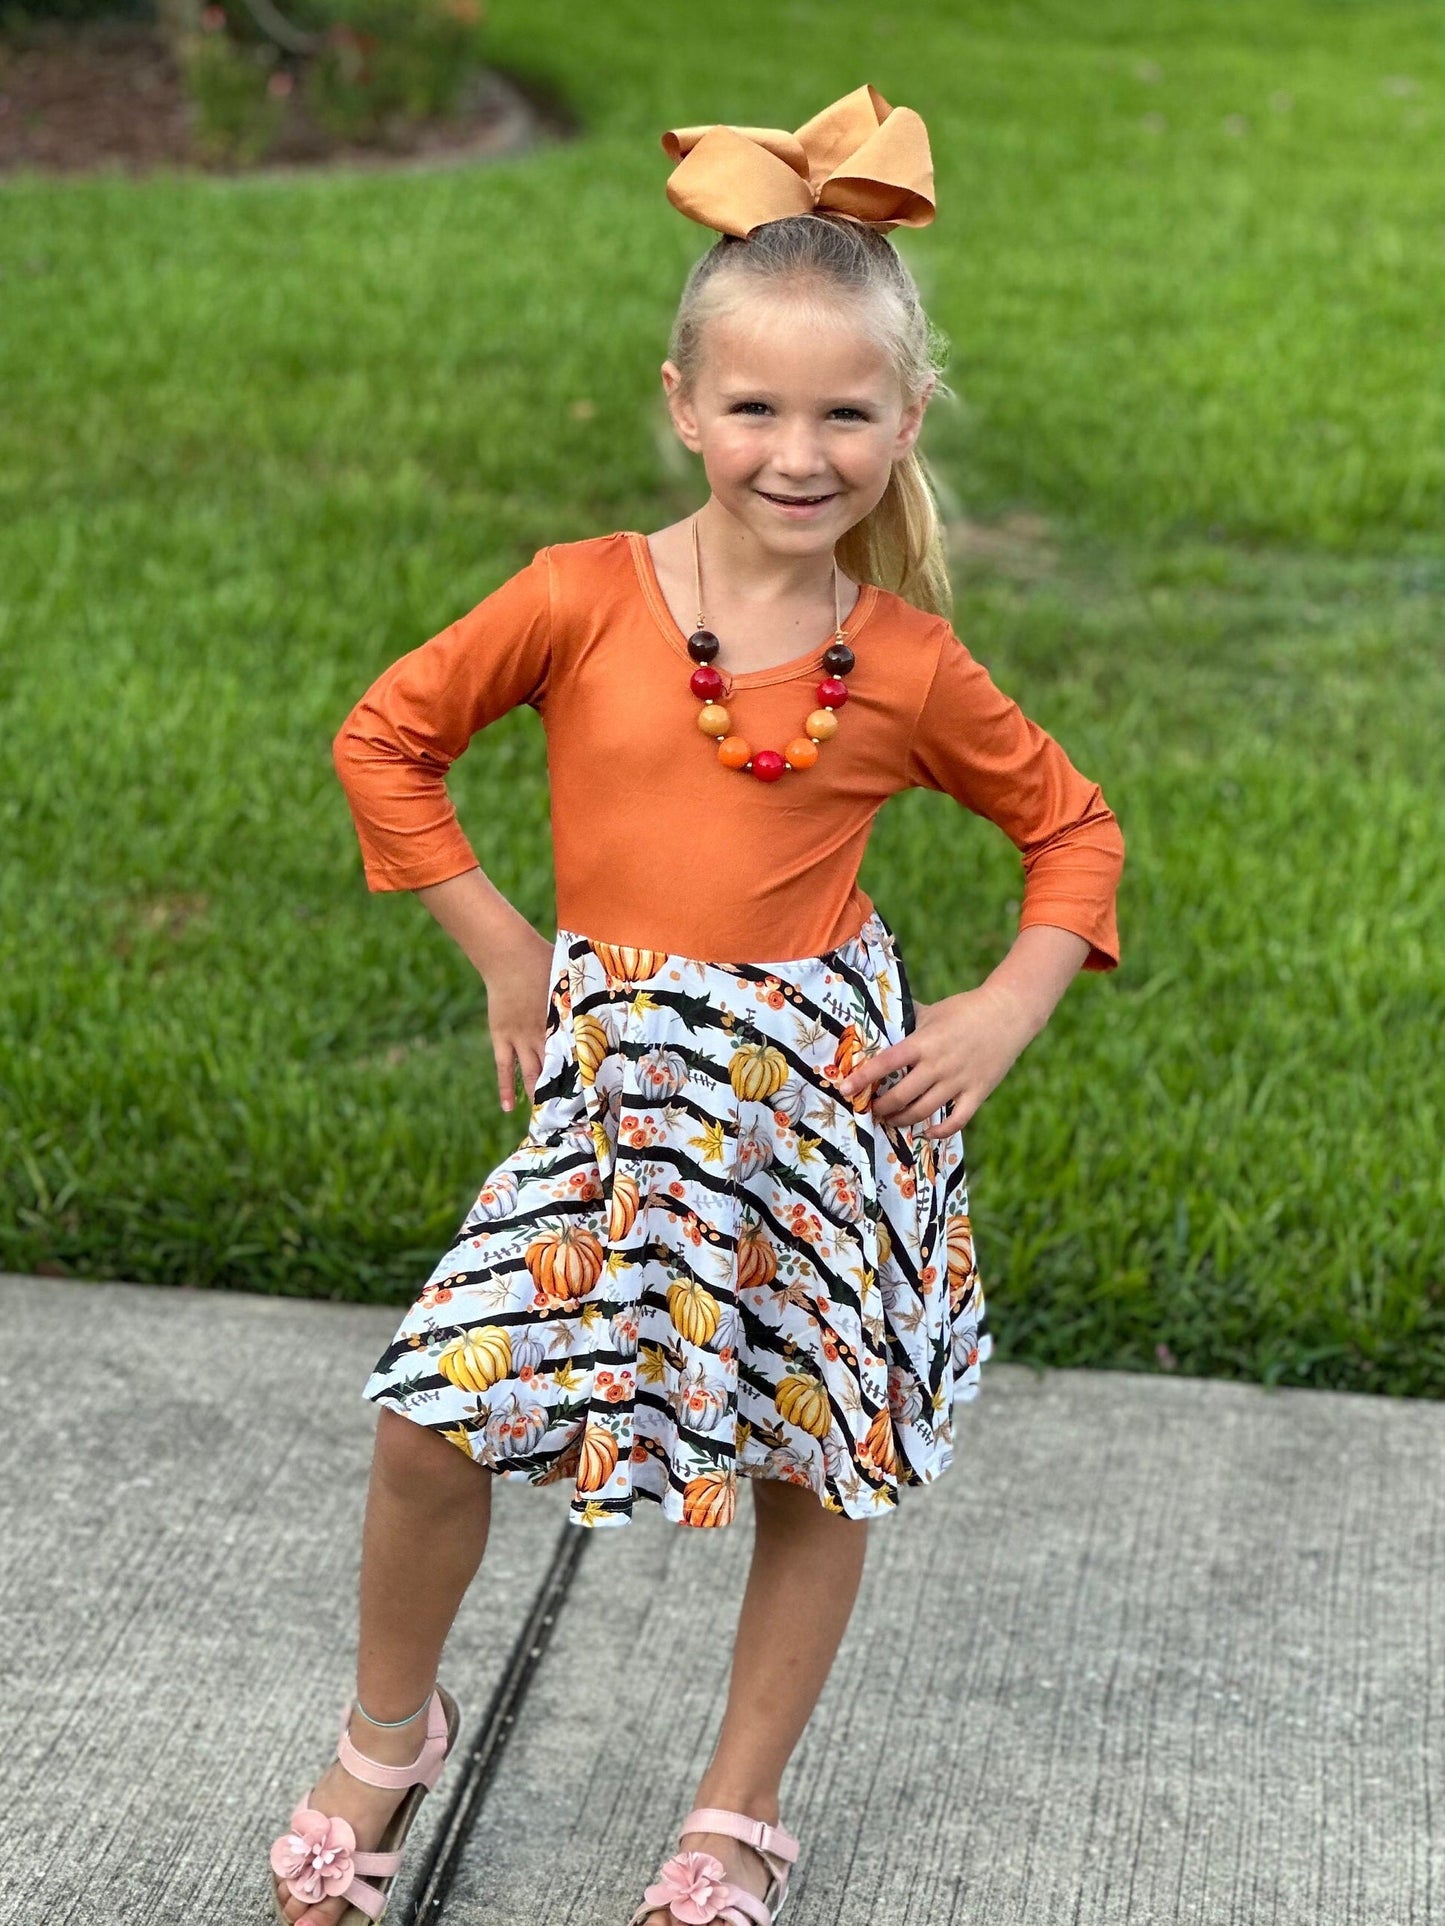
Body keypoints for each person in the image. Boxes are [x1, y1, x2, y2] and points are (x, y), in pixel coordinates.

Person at [268, 82, 1125, 1926]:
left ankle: (731, 1813)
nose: (795, 449)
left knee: (817, 1448)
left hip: (827, 1104)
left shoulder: (896, 662)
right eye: (753, 405)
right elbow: (387, 740)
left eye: (843, 412)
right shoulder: (582, 598)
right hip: (617, 1098)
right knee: (432, 1416)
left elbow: (1070, 830)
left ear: (904, 423)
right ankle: (384, 1740)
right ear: (682, 407)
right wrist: (507, 948)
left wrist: (998, 1008)